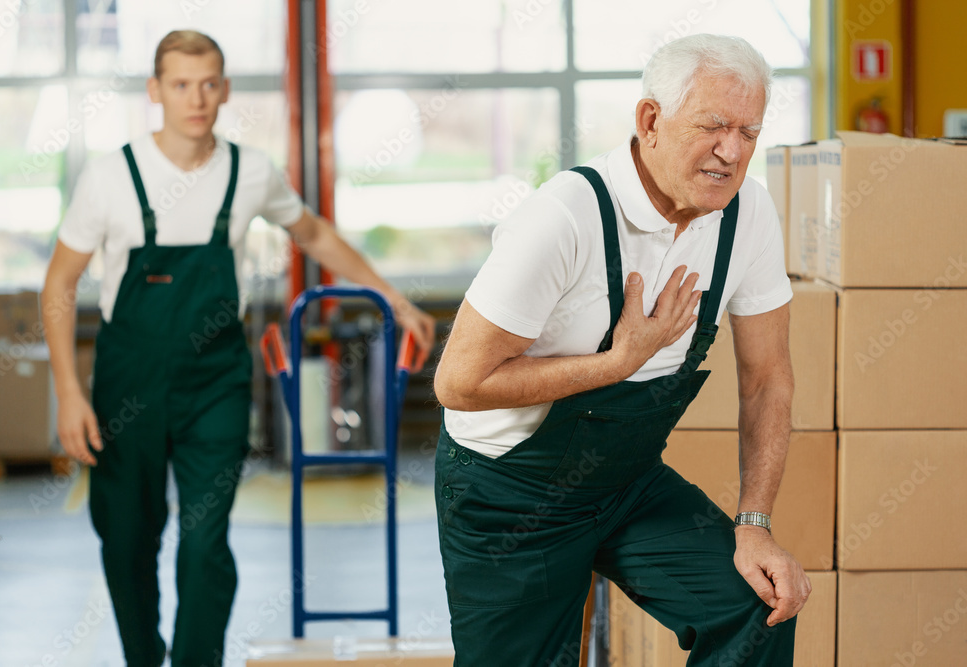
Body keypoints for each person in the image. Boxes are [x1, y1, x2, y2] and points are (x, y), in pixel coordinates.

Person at [42, 30, 435, 667]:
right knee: (126, 539)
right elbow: (58, 282)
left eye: (207, 83)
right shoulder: (111, 176)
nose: (195, 98)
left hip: (215, 383)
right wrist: (67, 390)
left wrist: (389, 296)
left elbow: (314, 234)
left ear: (223, 89)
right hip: (127, 381)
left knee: (204, 541)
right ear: (155, 91)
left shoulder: (249, 171)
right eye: (179, 84)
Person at [433, 34, 810, 666]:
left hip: (625, 485)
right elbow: (459, 383)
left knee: (756, 605)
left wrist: (755, 526)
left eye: (749, 131)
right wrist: (616, 364)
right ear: (651, 121)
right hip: (508, 494)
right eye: (714, 125)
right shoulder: (563, 218)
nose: (732, 151)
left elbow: (768, 378)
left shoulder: (749, 215)